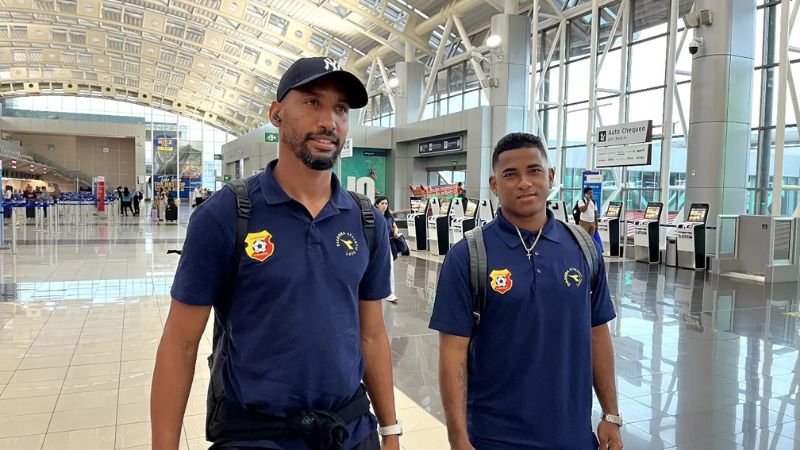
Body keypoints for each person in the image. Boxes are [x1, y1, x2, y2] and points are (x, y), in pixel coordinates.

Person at [152, 56, 400, 450]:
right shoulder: (225, 215)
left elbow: (372, 334)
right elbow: (180, 343)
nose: (328, 120)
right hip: (255, 435)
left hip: (349, 432)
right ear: (277, 113)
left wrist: (389, 429)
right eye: (312, 102)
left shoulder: (366, 221)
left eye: (339, 108)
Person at [429, 132, 622, 450]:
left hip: (573, 437)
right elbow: (452, 355)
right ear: (494, 185)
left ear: (550, 177)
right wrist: (458, 438)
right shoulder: (468, 256)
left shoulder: (582, 248)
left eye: (533, 170)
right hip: (495, 438)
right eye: (510, 174)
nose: (524, 183)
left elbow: (598, 334)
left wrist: (611, 414)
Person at [375, 196, 398, 303]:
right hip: (375, 246)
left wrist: (396, 231)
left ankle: (390, 293)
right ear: (377, 204)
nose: (384, 206)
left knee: (389, 269)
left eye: (386, 204)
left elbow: (394, 226)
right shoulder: (374, 216)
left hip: (387, 245)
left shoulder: (389, 217)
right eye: (382, 203)